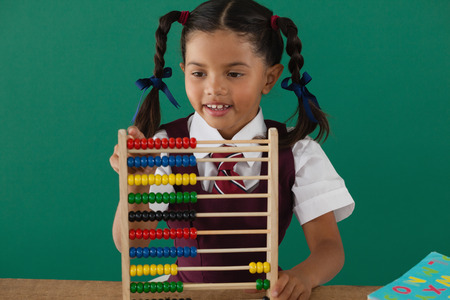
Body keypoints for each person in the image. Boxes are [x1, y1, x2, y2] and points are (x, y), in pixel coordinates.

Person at [110, 0, 355, 299]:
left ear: (269, 78)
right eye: (199, 74)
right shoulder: (164, 148)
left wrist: (304, 276)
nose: (214, 88)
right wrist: (136, 185)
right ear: (184, 71)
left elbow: (329, 249)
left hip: (264, 293)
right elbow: (130, 244)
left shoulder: (295, 151)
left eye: (234, 74)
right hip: (185, 293)